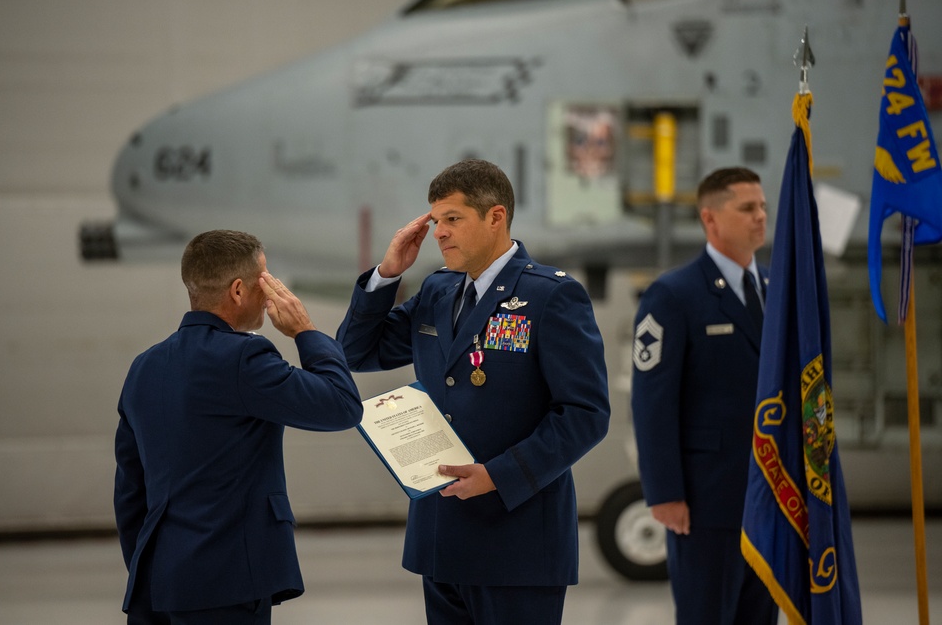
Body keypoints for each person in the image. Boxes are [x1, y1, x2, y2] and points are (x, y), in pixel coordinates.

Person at [336, 158, 610, 625]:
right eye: (435, 220)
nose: (439, 232)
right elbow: (355, 352)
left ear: (496, 217)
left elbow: (585, 414)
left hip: (517, 540)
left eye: (453, 219)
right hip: (442, 540)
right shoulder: (438, 291)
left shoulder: (551, 296)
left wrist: (498, 475)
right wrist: (386, 274)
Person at [114, 229, 362, 625]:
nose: (270, 292)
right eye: (265, 280)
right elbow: (341, 406)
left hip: (158, 584)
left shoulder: (144, 367)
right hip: (226, 584)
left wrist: (153, 568)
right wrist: (306, 331)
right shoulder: (244, 358)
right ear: (237, 291)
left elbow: (129, 492)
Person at [630, 167, 778, 625]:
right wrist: (665, 492)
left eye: (763, 207)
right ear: (710, 219)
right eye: (747, 208)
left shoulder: (777, 289)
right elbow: (652, 401)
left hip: (771, 492)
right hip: (706, 499)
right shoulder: (674, 294)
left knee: (760, 616)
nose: (760, 217)